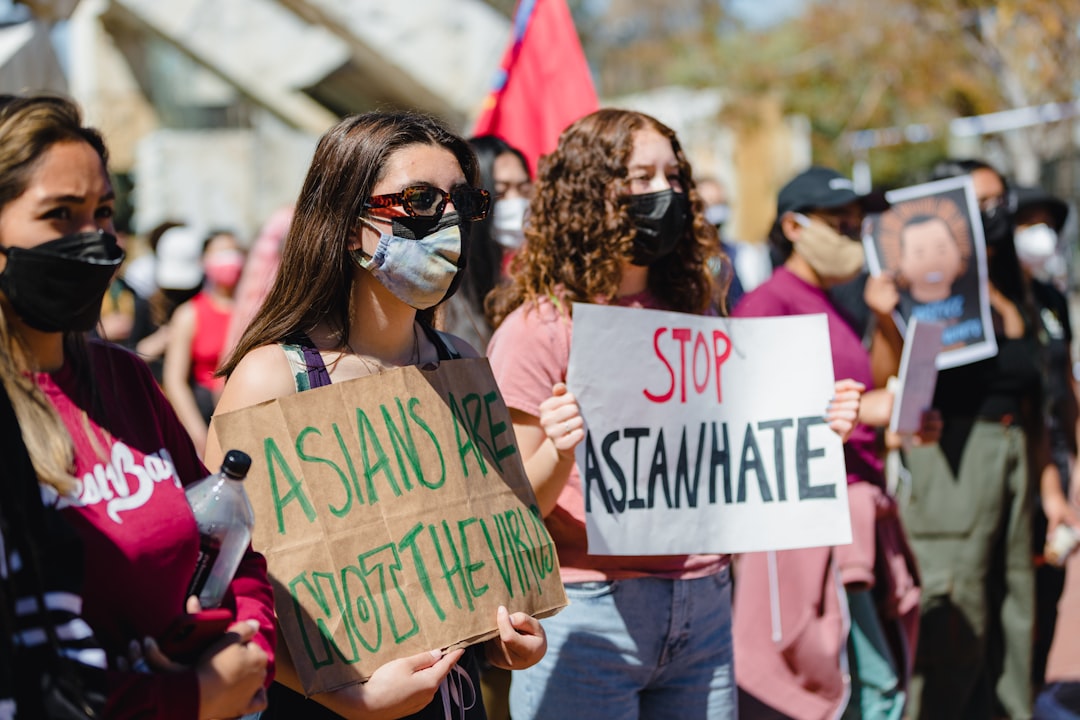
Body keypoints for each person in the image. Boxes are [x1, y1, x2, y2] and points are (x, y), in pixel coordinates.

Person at [483, 110, 861, 720]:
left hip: (704, 603)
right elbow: (514, 507)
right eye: (638, 178)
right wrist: (558, 448)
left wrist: (815, 431)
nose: (662, 193)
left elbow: (737, 449)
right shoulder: (541, 330)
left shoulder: (698, 316)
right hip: (590, 613)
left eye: (672, 177)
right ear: (589, 193)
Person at [207, 110, 547, 719]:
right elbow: (217, 580)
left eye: (461, 202)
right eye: (419, 200)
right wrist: (347, 698)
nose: (445, 222)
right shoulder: (274, 377)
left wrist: (509, 640)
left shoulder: (463, 364)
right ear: (345, 224)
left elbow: (485, 547)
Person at [0, 93, 274, 718]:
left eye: (102, 212)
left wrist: (247, 645)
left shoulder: (124, 380)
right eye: (60, 215)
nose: (93, 239)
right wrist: (193, 697)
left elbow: (237, 549)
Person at [731, 166, 922, 720]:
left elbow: (873, 385)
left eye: (857, 224)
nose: (853, 235)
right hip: (816, 523)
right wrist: (867, 411)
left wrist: (886, 332)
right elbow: (758, 420)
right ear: (793, 226)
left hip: (858, 515)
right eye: (840, 224)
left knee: (870, 681)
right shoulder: (766, 306)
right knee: (867, 685)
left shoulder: (836, 303)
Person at [900, 158, 1047, 719]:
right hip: (951, 457)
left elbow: (1032, 381)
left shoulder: (1005, 278)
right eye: (979, 203)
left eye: (999, 203)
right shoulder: (914, 282)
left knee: (1013, 606)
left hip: (1009, 452)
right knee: (956, 612)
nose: (994, 216)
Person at [1012, 186, 1080, 691]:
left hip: (1057, 455)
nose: (1040, 234)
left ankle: (1036, 688)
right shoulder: (1001, 305)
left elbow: (1065, 384)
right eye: (1027, 223)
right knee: (1019, 587)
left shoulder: (1054, 299)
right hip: (1021, 459)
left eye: (1047, 224)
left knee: (1053, 575)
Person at [439, 135, 532, 352]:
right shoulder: (444, 293)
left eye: (524, 190)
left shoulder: (510, 286)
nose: (516, 203)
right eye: (501, 192)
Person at [162, 230, 245, 456]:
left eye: (233, 251)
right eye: (220, 252)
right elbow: (175, 380)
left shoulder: (254, 311)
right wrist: (198, 433)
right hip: (206, 415)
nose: (228, 259)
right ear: (203, 261)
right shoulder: (189, 314)